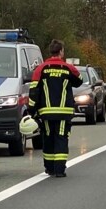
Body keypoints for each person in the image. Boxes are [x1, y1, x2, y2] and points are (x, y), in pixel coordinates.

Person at [27, 39, 82, 177]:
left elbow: (34, 91)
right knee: (61, 138)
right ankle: (59, 170)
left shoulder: (40, 69)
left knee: (48, 138)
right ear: (61, 52)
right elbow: (79, 81)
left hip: (46, 112)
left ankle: (49, 168)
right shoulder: (68, 68)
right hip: (64, 112)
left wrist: (31, 111)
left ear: (50, 51)